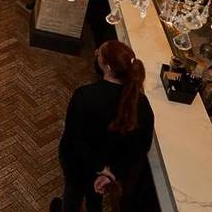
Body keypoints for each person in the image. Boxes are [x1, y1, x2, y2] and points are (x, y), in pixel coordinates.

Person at [55, 40, 155, 212]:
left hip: (79, 164)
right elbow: (141, 147)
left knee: (73, 193)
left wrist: (99, 167)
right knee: (96, 195)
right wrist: (110, 172)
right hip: (109, 169)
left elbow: (73, 139)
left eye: (99, 53)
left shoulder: (84, 96)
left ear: (107, 67)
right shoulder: (142, 104)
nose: (96, 53)